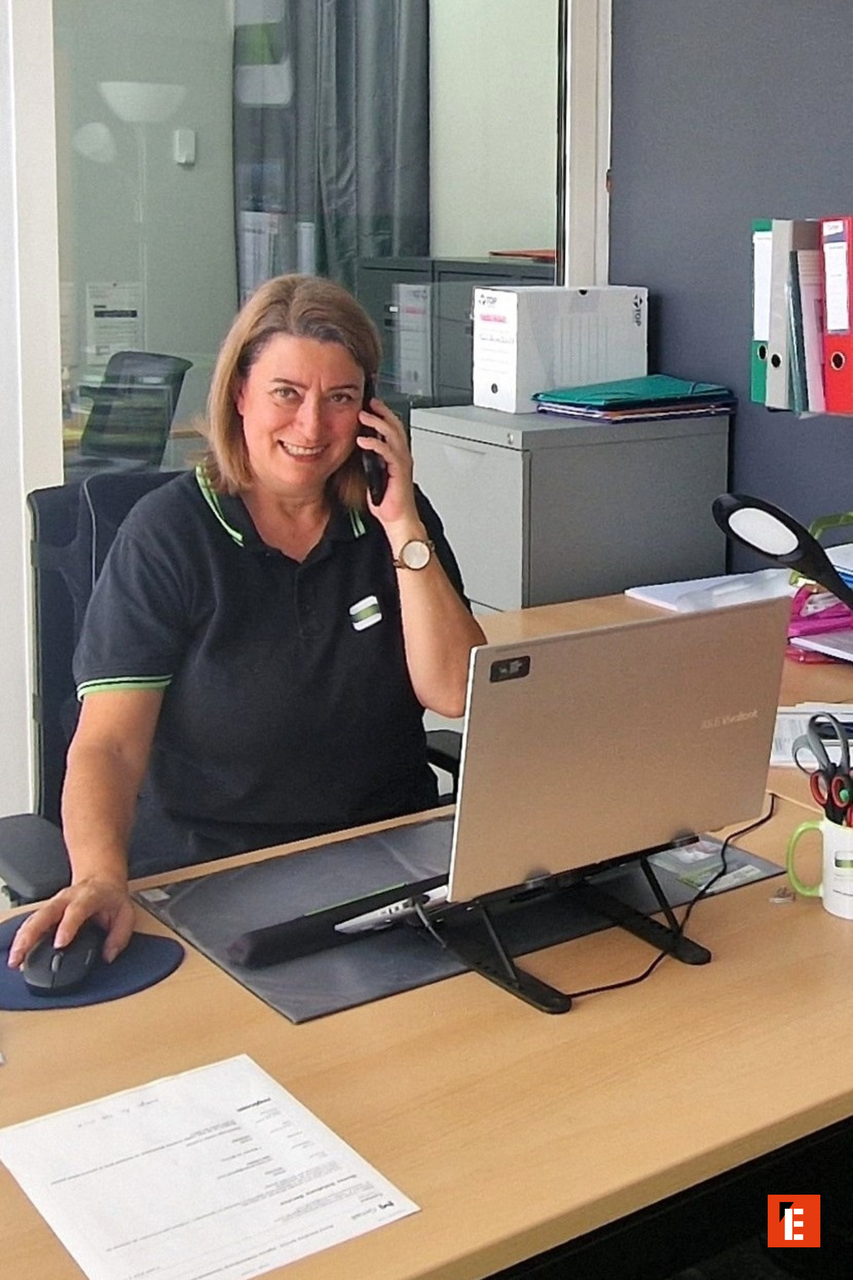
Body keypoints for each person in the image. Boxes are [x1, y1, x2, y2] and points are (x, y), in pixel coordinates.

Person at [8, 274, 485, 969]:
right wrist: (99, 877)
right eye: (286, 394)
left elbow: (455, 692)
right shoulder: (168, 535)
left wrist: (403, 524)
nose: (312, 426)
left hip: (389, 865)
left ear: (370, 414)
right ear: (239, 396)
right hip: (214, 876)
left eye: (340, 399)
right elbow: (107, 746)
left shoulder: (391, 521)